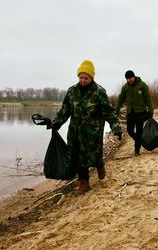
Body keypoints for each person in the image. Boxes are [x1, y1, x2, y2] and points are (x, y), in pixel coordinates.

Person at [51, 59, 122, 194]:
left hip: (92, 134)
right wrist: (56, 123)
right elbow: (65, 110)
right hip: (75, 132)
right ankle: (84, 183)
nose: (83, 80)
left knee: (93, 156)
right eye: (81, 77)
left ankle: (99, 164)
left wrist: (116, 126)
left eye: (86, 78)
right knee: (77, 157)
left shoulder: (99, 92)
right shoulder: (72, 91)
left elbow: (108, 113)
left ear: (91, 77)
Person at [115, 70, 153, 156]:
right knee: (129, 130)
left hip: (141, 113)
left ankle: (137, 151)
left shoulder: (142, 85)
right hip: (130, 113)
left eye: (130, 78)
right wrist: (116, 110)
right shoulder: (125, 87)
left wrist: (151, 111)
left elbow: (148, 98)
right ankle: (140, 141)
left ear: (134, 77)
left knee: (139, 131)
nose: (129, 80)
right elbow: (120, 99)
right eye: (127, 79)